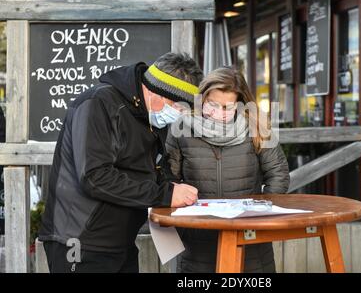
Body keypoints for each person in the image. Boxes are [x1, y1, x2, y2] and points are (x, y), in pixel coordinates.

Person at [39, 53, 203, 273]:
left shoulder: (150, 118)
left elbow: (154, 168)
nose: (179, 115)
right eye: (179, 108)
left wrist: (175, 188)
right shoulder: (98, 104)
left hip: (120, 242)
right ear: (158, 93)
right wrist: (165, 194)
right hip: (80, 242)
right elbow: (94, 176)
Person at [166, 67, 290, 273]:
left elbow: (278, 174)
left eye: (228, 107)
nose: (219, 113)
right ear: (202, 98)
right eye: (212, 104)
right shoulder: (181, 129)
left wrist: (260, 214)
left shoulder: (257, 127)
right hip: (197, 241)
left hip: (250, 239)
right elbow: (169, 179)